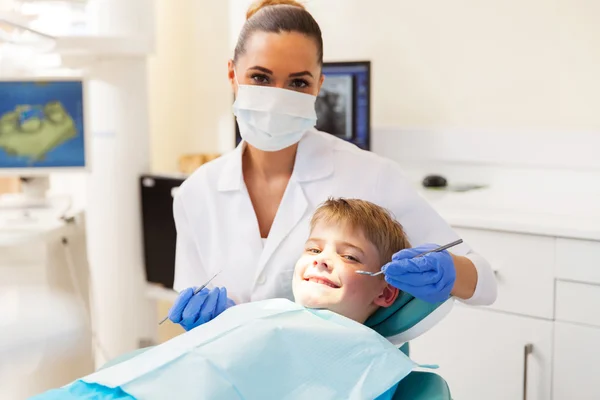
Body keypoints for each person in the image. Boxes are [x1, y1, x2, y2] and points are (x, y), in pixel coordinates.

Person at [169, 0, 497, 332]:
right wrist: (199, 320)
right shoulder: (195, 193)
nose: (277, 98)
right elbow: (192, 299)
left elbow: (484, 281)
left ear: (318, 86)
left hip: (341, 377)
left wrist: (450, 271)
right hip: (235, 371)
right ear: (232, 75)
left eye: (298, 83)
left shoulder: (371, 176)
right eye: (260, 77)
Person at [31, 199, 437, 400]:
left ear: (385, 291)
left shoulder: (369, 360)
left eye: (349, 256)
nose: (324, 261)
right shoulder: (265, 314)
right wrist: (227, 329)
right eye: (313, 250)